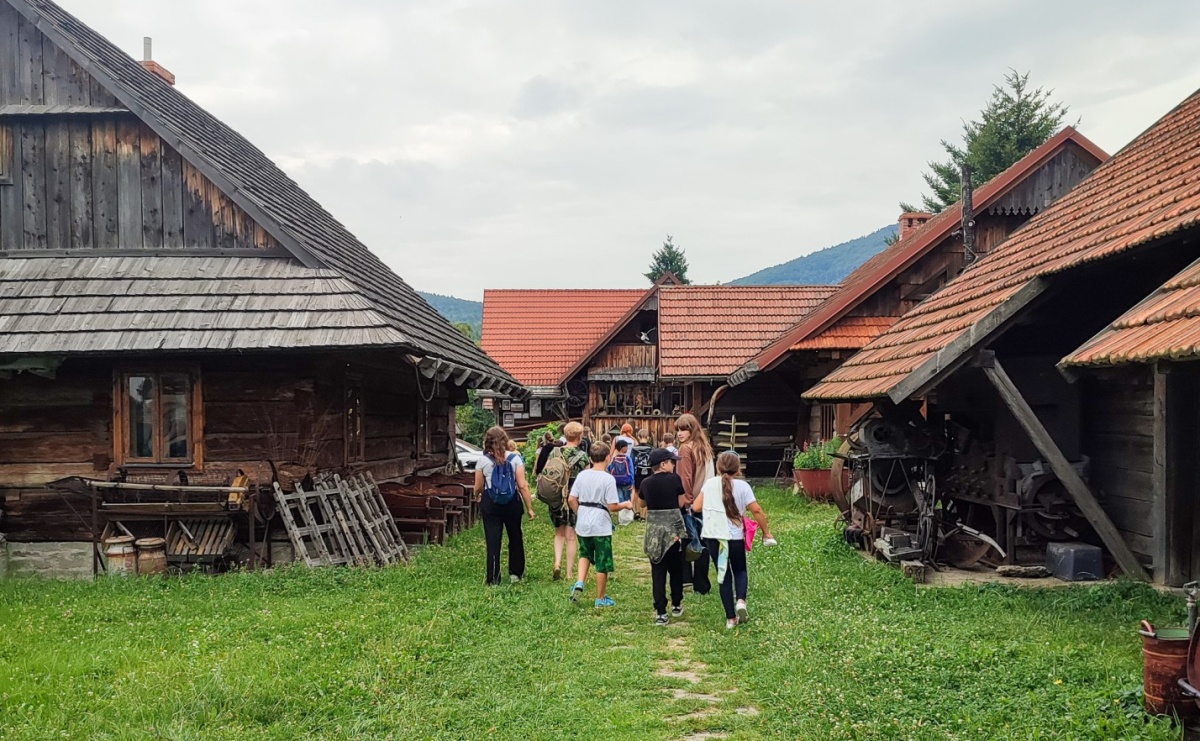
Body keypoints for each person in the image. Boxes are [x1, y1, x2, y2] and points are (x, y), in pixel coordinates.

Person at [694, 451, 774, 629]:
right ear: (738, 469)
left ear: (718, 466)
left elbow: (696, 506)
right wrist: (766, 532)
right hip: (735, 537)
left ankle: (730, 619)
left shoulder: (710, 484)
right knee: (740, 570)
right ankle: (741, 601)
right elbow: (757, 510)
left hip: (715, 537)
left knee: (723, 575)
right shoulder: (743, 487)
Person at [568, 442, 633, 606]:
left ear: (590, 458)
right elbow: (612, 506)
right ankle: (601, 598)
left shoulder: (582, 476)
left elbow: (571, 499)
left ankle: (580, 582)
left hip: (583, 521)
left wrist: (579, 512)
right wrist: (625, 504)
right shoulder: (608, 479)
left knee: (585, 554)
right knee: (602, 560)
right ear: (608, 458)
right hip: (601, 524)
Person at [473, 426, 537, 585]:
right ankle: (516, 574)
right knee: (515, 536)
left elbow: (478, 487)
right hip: (512, 502)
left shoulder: (483, 461)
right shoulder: (515, 459)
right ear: (505, 440)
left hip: (491, 503)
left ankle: (493, 578)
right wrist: (529, 508)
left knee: (493, 540)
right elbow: (522, 485)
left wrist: (478, 496)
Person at [635, 447, 689, 625]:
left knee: (657, 571)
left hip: (654, 532)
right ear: (663, 464)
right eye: (672, 462)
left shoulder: (646, 483)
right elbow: (681, 502)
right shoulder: (674, 479)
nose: (674, 465)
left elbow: (642, 503)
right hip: (673, 531)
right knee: (676, 568)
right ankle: (676, 603)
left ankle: (660, 612)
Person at [545, 422, 590, 581]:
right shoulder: (583, 456)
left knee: (559, 533)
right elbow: (586, 479)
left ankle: (557, 563)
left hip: (556, 497)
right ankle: (570, 573)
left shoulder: (555, 452)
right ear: (579, 437)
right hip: (573, 498)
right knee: (571, 536)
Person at [675, 413, 713, 595]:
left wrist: (685, 502)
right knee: (703, 541)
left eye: (683, 429)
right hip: (706, 500)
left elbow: (685, 479)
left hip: (690, 501)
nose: (679, 433)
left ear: (692, 430)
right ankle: (702, 583)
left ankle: (686, 580)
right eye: (678, 430)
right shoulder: (704, 447)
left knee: (686, 542)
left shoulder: (685, 449)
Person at [607, 438, 636, 510]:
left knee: (620, 498)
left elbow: (610, 468)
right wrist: (632, 482)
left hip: (616, 481)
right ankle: (627, 513)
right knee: (627, 498)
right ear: (623, 448)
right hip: (626, 481)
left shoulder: (614, 458)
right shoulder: (628, 458)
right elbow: (631, 470)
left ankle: (621, 513)